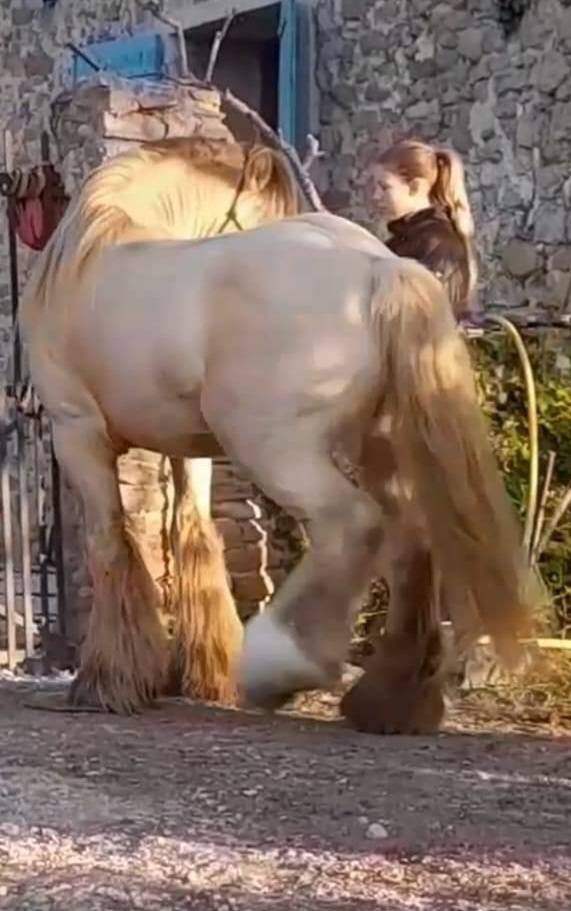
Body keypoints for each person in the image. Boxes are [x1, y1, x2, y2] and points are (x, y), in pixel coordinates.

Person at [372, 139, 479, 318]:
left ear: (415, 187)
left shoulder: (436, 241)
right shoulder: (409, 237)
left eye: (385, 187)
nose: (376, 196)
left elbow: (414, 315)